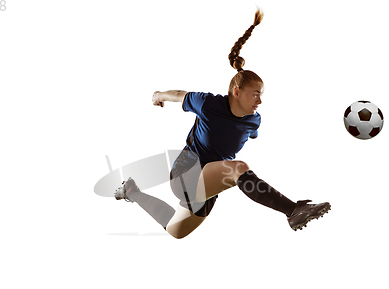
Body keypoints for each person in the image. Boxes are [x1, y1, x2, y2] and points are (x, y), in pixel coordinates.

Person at [114, 8, 331, 239]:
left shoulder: (254, 121)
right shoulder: (208, 104)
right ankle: (292, 210)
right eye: (255, 94)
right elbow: (179, 94)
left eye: (261, 95)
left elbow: (238, 138)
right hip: (186, 173)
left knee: (175, 231)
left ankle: (132, 192)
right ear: (236, 91)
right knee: (238, 168)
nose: (260, 100)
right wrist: (159, 95)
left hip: (209, 185)